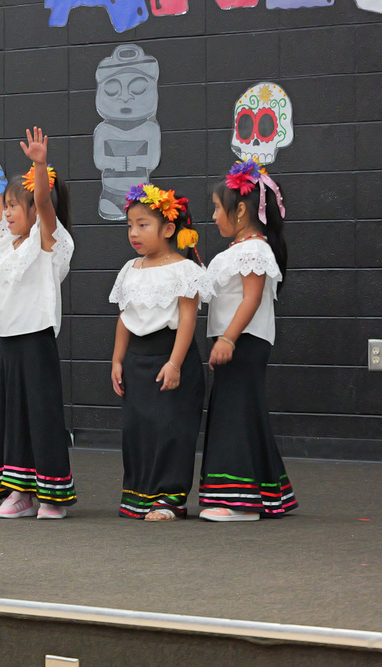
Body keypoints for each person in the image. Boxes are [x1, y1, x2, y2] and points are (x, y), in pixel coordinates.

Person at [0, 127, 76, 520]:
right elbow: (4, 216)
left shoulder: (49, 239)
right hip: (10, 343)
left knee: (41, 415)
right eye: (5, 206)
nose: (7, 213)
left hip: (37, 341)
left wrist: (39, 164)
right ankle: (19, 492)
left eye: (14, 206)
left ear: (36, 211)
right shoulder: (8, 242)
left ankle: (52, 495)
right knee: (12, 416)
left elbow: (41, 203)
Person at [197, 159, 296, 522]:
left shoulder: (254, 250)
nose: (213, 216)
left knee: (236, 412)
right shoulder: (240, 249)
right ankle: (267, 494)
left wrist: (228, 338)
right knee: (243, 410)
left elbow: (251, 298)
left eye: (217, 207)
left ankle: (241, 502)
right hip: (238, 341)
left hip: (244, 342)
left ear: (241, 209)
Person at [109, 183, 207, 521]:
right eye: (130, 225)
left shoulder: (184, 270)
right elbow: (125, 317)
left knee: (171, 429)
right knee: (137, 430)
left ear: (168, 229)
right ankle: (139, 495)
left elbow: (187, 319)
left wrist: (175, 363)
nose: (134, 233)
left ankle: (169, 499)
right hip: (137, 361)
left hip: (170, 358)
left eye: (143, 225)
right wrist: (117, 359)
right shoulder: (129, 269)